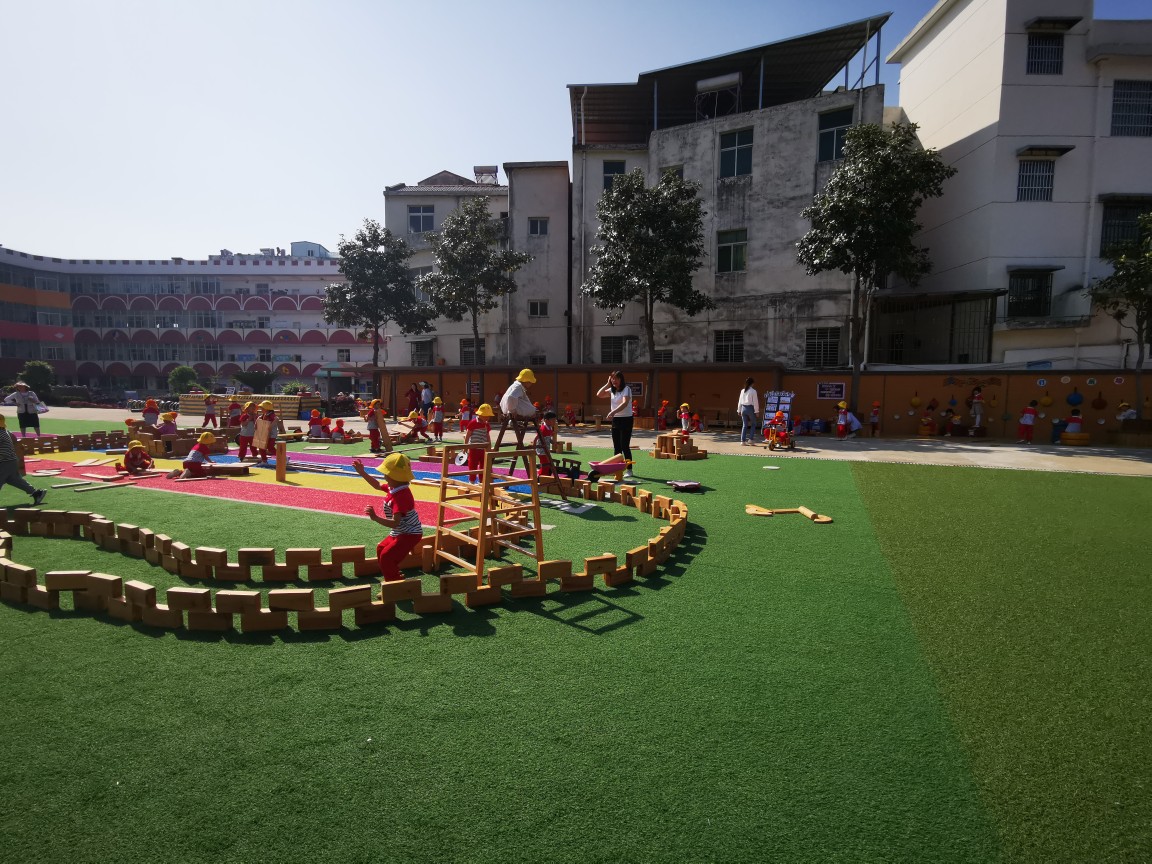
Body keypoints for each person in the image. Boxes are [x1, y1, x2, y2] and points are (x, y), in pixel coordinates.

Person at [354, 454, 423, 583]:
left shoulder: (401, 497)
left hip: (410, 534)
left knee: (387, 557)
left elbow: (395, 523)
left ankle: (393, 584)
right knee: (381, 548)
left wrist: (375, 517)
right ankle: (393, 574)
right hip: (400, 531)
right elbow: (377, 485)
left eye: (386, 474)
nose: (384, 476)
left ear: (395, 477)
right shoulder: (395, 487)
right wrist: (362, 472)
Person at [0, 414, 46, 505]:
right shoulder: (5, 432)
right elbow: (14, 438)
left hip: (4, 462)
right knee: (14, 480)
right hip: (11, 461)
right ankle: (36, 493)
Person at [597, 370, 635, 480]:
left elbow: (625, 403)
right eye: (613, 378)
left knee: (624, 446)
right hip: (616, 420)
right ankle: (617, 469)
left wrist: (613, 412)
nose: (614, 381)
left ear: (621, 379)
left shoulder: (626, 389)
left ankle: (629, 470)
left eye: (617, 378)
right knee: (617, 446)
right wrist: (607, 384)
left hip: (626, 419)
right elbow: (599, 394)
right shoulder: (612, 390)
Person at [463, 403, 494, 483]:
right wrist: (465, 447)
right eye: (485, 416)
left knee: (484, 465)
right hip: (474, 449)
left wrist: (489, 447)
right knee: (472, 465)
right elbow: (467, 435)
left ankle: (482, 480)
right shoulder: (473, 423)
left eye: (488, 416)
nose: (487, 418)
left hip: (483, 449)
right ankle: (472, 481)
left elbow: (488, 437)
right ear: (480, 415)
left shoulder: (486, 425)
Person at [737, 378, 759, 446]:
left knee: (744, 425)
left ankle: (742, 441)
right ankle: (750, 439)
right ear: (752, 383)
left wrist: (739, 410)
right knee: (754, 423)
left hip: (743, 408)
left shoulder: (742, 390)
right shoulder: (753, 391)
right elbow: (755, 402)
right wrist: (757, 411)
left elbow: (740, 401)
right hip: (750, 408)